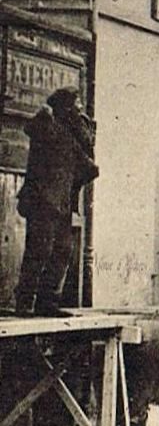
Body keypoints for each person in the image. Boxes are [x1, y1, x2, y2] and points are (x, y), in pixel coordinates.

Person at [15, 87, 98, 316]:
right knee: (39, 250)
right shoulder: (46, 126)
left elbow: (89, 166)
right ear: (66, 108)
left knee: (62, 250)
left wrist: (72, 187)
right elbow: (32, 128)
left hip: (60, 203)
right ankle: (25, 302)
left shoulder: (68, 134)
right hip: (42, 201)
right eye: (76, 105)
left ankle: (47, 302)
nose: (80, 109)